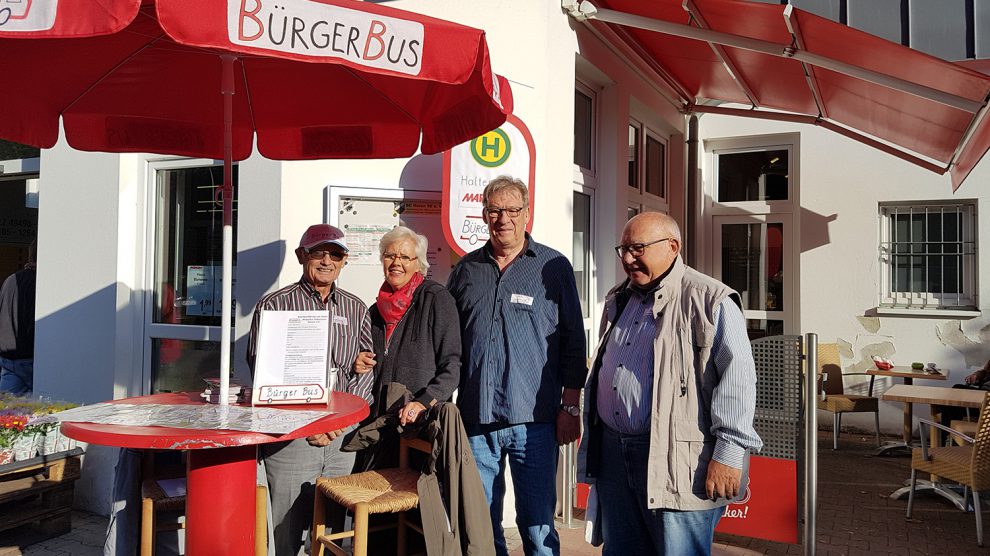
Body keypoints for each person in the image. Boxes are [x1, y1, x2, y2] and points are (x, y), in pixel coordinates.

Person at [582, 212, 763, 555]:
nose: (627, 258)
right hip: (615, 457)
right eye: (622, 249)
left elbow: (738, 379)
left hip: (678, 459)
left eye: (637, 248)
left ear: (672, 247)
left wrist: (728, 453)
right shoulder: (619, 297)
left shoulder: (710, 299)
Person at [446, 175, 587, 556]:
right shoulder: (465, 270)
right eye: (495, 210)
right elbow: (446, 340)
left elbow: (574, 340)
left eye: (512, 210)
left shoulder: (553, 267)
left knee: (538, 525)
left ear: (527, 214)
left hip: (536, 421)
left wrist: (571, 407)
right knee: (480, 523)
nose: (503, 218)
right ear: (484, 214)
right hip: (475, 421)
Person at [246, 224, 374, 556]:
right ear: (303, 256)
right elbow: (263, 371)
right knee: (284, 527)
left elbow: (364, 375)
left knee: (335, 528)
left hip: (340, 437)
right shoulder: (275, 305)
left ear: (345, 261)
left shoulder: (356, 307)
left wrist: (339, 425)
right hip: (294, 436)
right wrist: (306, 425)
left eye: (336, 254)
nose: (327, 261)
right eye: (319, 253)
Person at [355, 225, 461, 471]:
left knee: (416, 502)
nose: (396, 262)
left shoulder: (436, 299)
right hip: (380, 425)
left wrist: (424, 402)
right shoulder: (373, 311)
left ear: (418, 263)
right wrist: (357, 361)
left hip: (417, 424)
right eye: (390, 256)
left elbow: (452, 365)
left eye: (404, 257)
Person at [0, 240, 36, 395]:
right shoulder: (41, 284)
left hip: (8, 359)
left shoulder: (10, 280)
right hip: (31, 359)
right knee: (43, 412)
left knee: (8, 413)